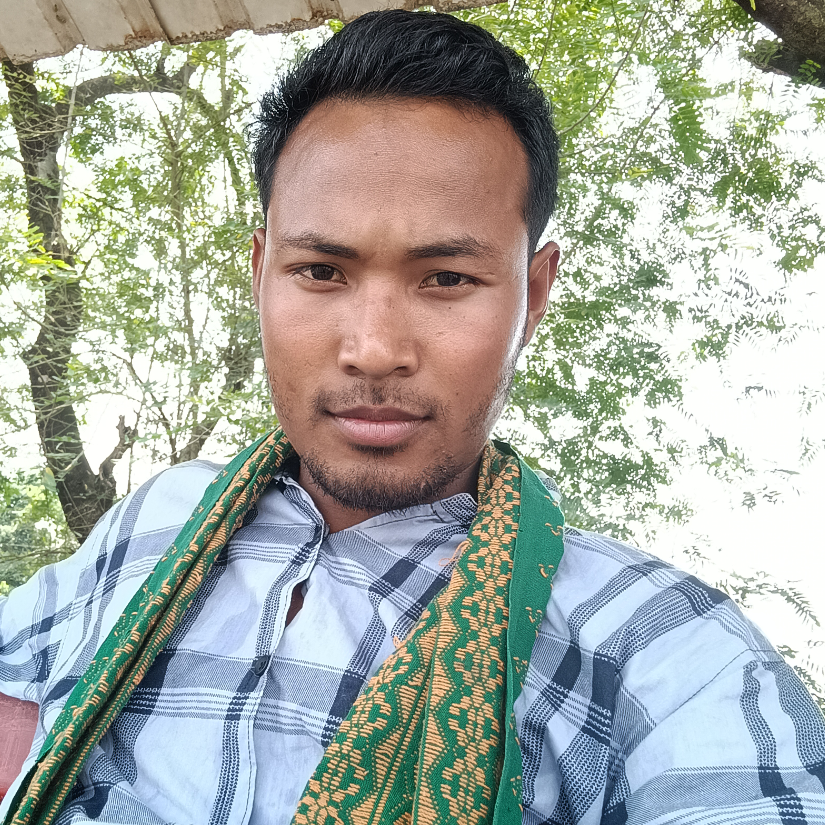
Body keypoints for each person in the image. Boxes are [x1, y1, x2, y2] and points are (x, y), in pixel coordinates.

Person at [2, 9, 825, 825]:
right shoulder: (160, 516)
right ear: (260, 273)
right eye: (319, 270)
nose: (373, 349)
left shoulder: (656, 642)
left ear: (533, 294)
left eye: (446, 279)